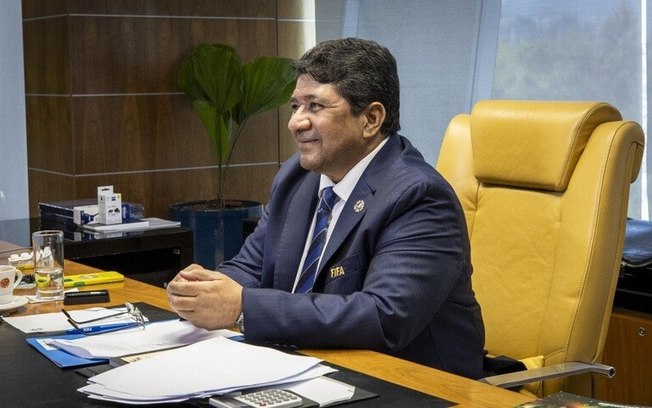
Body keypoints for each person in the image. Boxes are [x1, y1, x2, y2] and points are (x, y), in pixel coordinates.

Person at [167, 37, 485, 379]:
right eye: (294, 107)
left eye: (314, 107)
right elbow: (254, 268)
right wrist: (204, 289)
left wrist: (242, 307)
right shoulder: (297, 177)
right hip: (307, 368)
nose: (295, 123)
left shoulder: (418, 195)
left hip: (413, 383)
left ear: (371, 119)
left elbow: (384, 316)